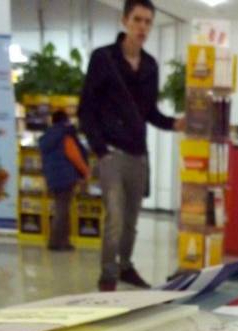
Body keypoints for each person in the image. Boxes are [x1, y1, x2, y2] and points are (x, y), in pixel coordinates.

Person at [79, 0, 184, 292]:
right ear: (125, 21)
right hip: (111, 152)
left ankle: (125, 266)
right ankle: (108, 274)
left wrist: (174, 123)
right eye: (138, 20)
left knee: (131, 221)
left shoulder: (150, 65)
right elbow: (86, 109)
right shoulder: (103, 58)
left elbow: (148, 111)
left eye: (148, 22)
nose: (143, 27)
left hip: (139, 155)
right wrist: (100, 149)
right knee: (114, 217)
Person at [39, 110, 90, 252]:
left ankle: (62, 241)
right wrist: (85, 172)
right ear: (65, 120)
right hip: (66, 176)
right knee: (62, 210)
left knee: (61, 208)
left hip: (53, 177)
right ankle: (56, 242)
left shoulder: (48, 136)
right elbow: (74, 156)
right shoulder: (65, 135)